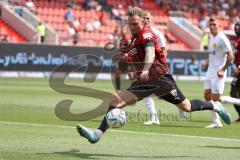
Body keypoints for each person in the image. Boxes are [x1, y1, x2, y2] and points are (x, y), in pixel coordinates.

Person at [76, 7, 231, 144]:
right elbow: (136, 52)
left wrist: (145, 69)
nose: (132, 26)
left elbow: (150, 52)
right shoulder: (135, 38)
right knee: (115, 102)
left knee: (187, 106)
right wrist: (126, 57)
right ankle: (97, 134)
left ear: (143, 22)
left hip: (160, 79)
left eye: (135, 24)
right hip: (144, 82)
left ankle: (214, 105)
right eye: (130, 24)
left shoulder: (147, 34)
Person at [143, 11, 185, 125]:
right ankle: (154, 118)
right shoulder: (140, 34)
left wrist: (159, 65)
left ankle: (181, 105)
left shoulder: (156, 32)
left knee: (165, 93)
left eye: (148, 18)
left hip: (158, 68)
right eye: (144, 18)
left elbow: (164, 50)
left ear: (151, 20)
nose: (146, 20)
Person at [202, 17, 234, 128]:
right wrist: (206, 62)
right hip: (210, 71)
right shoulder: (211, 38)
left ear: (219, 26)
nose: (212, 27)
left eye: (214, 24)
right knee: (207, 96)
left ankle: (235, 103)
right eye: (210, 25)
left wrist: (223, 70)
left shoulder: (222, 38)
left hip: (218, 72)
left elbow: (231, 56)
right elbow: (212, 54)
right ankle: (217, 122)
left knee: (216, 99)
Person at [230, 21, 240, 122]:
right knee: (234, 93)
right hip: (238, 71)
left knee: (233, 93)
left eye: (238, 26)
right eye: (235, 25)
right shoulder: (236, 40)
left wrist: (238, 67)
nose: (236, 27)